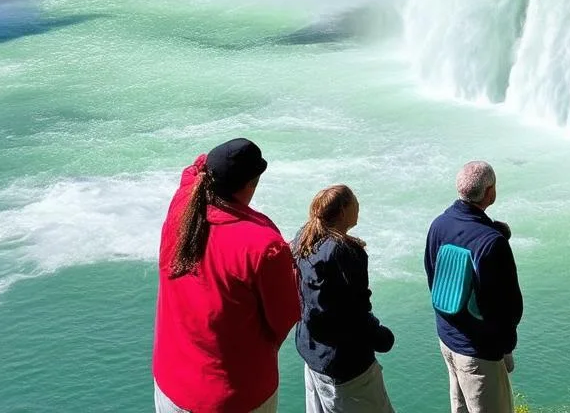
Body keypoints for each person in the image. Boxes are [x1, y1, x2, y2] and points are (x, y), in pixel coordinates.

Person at [152, 138, 301, 413]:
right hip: (234, 397)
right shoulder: (263, 246)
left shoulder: (183, 202)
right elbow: (285, 318)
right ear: (251, 184)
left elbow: (193, 169)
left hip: (171, 385)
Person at [424, 161, 523, 413]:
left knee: (459, 408)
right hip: (479, 353)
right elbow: (510, 307)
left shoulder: (439, 224)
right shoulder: (492, 243)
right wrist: (504, 345)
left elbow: (432, 276)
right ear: (490, 193)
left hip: (448, 339)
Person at [292, 185, 397, 413]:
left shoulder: (304, 238)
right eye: (355, 203)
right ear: (342, 212)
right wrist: (380, 336)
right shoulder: (345, 253)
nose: (359, 207)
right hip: (346, 366)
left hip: (313, 353)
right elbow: (354, 310)